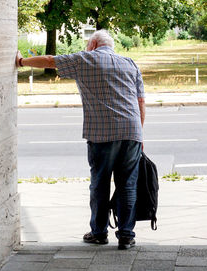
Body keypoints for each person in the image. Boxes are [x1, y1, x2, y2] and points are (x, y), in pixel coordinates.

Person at [16, 30, 145, 250]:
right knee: (128, 185)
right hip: (132, 131)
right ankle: (126, 236)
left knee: (100, 184)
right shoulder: (130, 63)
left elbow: (49, 61)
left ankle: (99, 233)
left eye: (87, 43)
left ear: (93, 44)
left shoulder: (84, 59)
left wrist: (21, 61)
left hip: (102, 134)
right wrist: (139, 134)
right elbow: (141, 101)